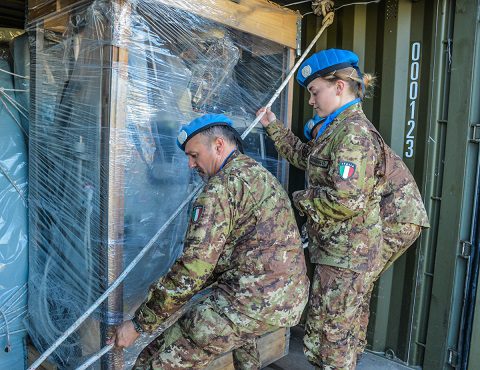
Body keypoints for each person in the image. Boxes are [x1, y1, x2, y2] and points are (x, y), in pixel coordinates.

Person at [257, 48, 429, 370]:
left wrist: (295, 201)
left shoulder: (352, 133)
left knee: (334, 318)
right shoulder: (336, 128)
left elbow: (345, 200)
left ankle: (340, 360)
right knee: (345, 310)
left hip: (393, 219)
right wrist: (272, 125)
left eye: (314, 91)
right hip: (363, 230)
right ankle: (346, 358)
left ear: (338, 87)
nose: (310, 101)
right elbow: (304, 156)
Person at [110, 113, 310, 369]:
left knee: (154, 360)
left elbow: (191, 272)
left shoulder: (219, 190)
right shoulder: (256, 173)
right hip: (286, 296)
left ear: (218, 145)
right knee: (240, 339)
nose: (191, 165)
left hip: (253, 299)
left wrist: (139, 324)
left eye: (194, 156)